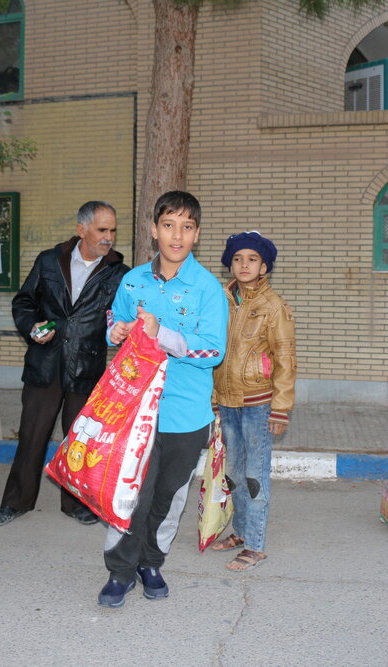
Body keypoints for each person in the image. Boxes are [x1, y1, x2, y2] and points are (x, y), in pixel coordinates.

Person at [99, 191, 228, 608]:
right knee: (129, 494)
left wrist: (164, 336)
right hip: (134, 410)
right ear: (154, 230)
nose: (177, 235)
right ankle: (120, 572)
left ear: (197, 235)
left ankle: (151, 563)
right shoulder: (132, 279)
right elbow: (114, 319)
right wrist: (115, 333)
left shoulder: (207, 287)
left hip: (185, 414)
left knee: (168, 496)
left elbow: (214, 350)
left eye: (187, 227)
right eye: (169, 225)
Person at [0, 201, 129, 527]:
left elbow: (124, 319)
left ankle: (77, 504)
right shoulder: (49, 261)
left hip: (87, 367)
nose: (109, 237)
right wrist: (31, 327)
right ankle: (16, 502)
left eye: (113, 230)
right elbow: (24, 301)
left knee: (80, 439)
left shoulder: (120, 273)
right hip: (45, 364)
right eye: (101, 230)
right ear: (82, 229)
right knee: (31, 436)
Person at [209, 231, 296, 570]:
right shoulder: (223, 299)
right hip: (228, 399)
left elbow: (286, 358)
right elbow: (216, 350)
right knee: (233, 472)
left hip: (259, 402)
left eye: (252, 259)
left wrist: (281, 407)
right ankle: (241, 532)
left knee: (254, 473)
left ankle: (256, 546)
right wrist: (215, 397)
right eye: (238, 259)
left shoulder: (273, 306)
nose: (244, 265)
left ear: (264, 267)